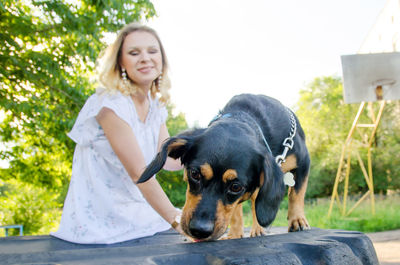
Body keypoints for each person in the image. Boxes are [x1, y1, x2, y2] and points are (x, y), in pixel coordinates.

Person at [51, 23, 184, 244]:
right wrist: (177, 220)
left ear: (162, 60)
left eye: (152, 51)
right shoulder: (110, 104)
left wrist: (207, 151)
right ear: (121, 62)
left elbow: (167, 159)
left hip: (138, 211)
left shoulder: (155, 106)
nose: (145, 58)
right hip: (101, 220)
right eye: (134, 53)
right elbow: (139, 174)